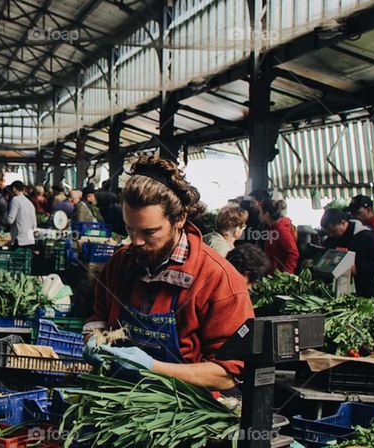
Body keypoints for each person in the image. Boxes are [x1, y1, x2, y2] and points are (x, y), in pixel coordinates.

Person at [84, 154, 254, 390]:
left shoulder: (218, 279)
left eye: (149, 232)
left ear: (180, 219)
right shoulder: (120, 264)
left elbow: (228, 373)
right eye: (129, 229)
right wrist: (93, 338)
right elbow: (99, 317)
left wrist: (154, 368)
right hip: (122, 400)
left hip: (185, 414)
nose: (137, 241)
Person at [319, 208, 374, 298]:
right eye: (329, 233)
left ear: (343, 223)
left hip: (366, 292)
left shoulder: (366, 236)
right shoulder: (333, 239)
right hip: (341, 292)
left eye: (334, 231)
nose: (331, 235)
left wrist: (358, 267)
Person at [259, 198, 299, 274]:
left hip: (279, 275)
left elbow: (293, 253)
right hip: (273, 272)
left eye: (260, 212)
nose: (259, 215)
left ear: (266, 214)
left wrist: (286, 274)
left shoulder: (281, 229)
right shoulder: (272, 228)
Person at [4, 181, 37, 247]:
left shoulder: (15, 200)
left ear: (14, 189)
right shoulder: (29, 203)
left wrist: (3, 221)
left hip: (19, 239)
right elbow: (34, 223)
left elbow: (10, 220)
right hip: (30, 239)